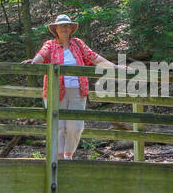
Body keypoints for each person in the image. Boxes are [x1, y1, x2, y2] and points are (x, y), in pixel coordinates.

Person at [24, 14, 120, 159]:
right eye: (61, 25)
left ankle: (68, 155)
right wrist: (33, 62)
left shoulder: (78, 44)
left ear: (71, 29)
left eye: (67, 25)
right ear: (56, 29)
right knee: (58, 125)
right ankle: (58, 158)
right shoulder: (50, 44)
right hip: (55, 91)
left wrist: (115, 67)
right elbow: (42, 55)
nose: (64, 28)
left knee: (76, 127)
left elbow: (94, 57)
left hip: (77, 90)